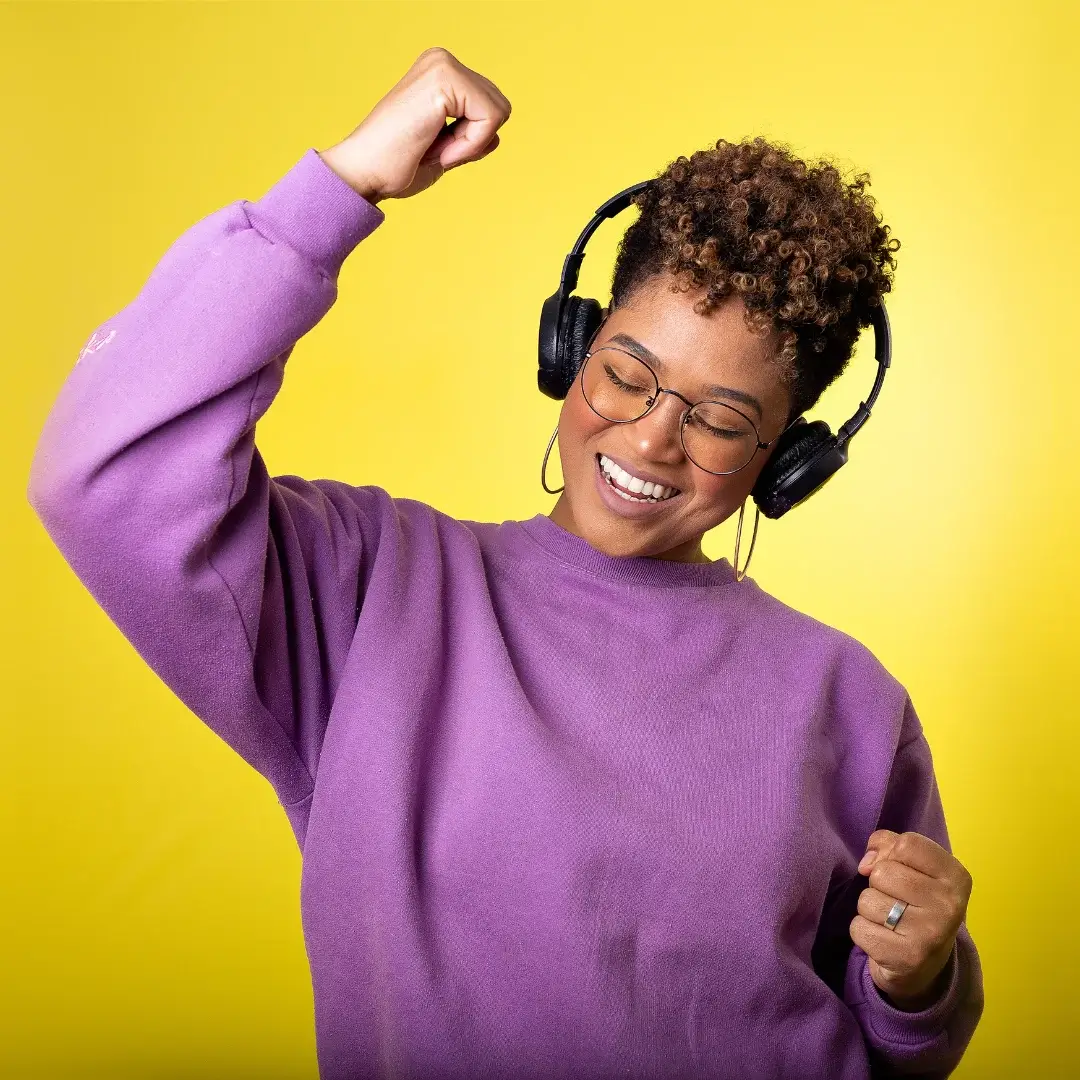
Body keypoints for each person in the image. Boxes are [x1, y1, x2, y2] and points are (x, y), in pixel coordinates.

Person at [28, 45, 983, 1080]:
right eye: (627, 373)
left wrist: (921, 984)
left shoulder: (850, 697)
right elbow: (106, 473)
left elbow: (898, 1041)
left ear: (785, 462)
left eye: (720, 418)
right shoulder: (368, 591)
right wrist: (336, 191)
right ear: (570, 352)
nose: (654, 439)